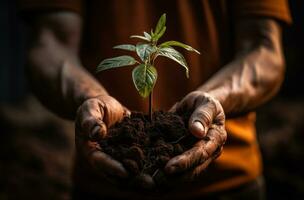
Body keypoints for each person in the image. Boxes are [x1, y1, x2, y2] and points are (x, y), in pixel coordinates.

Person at [18, 0, 291, 199]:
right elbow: (50, 44)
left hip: (230, 182)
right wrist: (92, 99)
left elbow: (264, 49)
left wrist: (214, 99)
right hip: (106, 175)